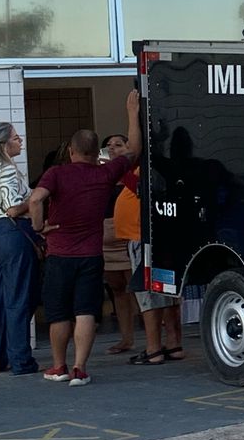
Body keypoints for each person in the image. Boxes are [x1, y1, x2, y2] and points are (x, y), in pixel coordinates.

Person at [29, 90, 143, 386]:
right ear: (97, 153)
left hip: (59, 255)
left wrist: (40, 227)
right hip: (91, 256)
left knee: (58, 314)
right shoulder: (105, 173)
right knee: (85, 312)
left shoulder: (56, 174)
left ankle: (58, 366)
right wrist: (132, 113)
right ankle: (80, 368)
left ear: (71, 151)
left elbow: (36, 200)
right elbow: (135, 151)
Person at [0, 121, 41, 376]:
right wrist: (36, 197)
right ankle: (21, 360)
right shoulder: (6, 170)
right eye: (16, 137)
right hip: (10, 234)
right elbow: (14, 208)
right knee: (18, 300)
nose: (20, 141)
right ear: (4, 144)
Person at [120, 163, 184, 365]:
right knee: (166, 292)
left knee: (148, 295)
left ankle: (153, 348)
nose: (113, 149)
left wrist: (121, 168)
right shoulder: (160, 166)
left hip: (143, 237)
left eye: (120, 145)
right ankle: (173, 344)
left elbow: (141, 190)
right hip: (161, 236)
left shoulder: (146, 168)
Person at [99, 132, 137, 355]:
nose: (112, 148)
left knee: (136, 287)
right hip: (105, 239)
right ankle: (126, 338)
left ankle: (153, 337)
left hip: (128, 237)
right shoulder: (102, 174)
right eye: (108, 145)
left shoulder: (133, 172)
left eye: (118, 145)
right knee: (117, 289)